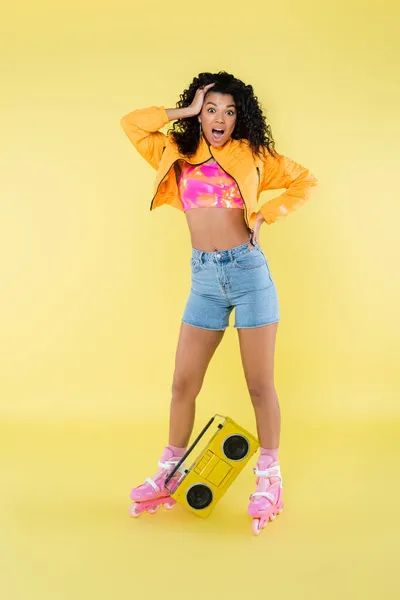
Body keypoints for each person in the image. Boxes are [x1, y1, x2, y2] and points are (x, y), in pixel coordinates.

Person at [120, 71, 318, 534]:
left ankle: (270, 476)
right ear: (198, 112)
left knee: (259, 385)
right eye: (211, 109)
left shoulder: (251, 154)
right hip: (204, 278)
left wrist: (266, 214)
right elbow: (132, 123)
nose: (220, 119)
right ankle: (171, 472)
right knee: (181, 385)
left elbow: (303, 181)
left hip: (248, 274)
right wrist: (183, 112)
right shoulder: (174, 150)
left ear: (239, 117)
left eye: (229, 111)